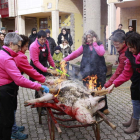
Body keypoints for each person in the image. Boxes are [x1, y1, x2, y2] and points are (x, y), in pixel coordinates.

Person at [0, 32, 49, 140]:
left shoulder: (3, 53)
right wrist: (39, 86)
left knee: (5, 119)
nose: (20, 49)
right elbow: (20, 80)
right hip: (4, 91)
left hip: (5, 89)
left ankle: (11, 130)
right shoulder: (7, 58)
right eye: (19, 46)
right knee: (6, 122)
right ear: (11, 44)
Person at [61, 30, 108, 114]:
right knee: (88, 90)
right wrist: (65, 59)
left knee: (100, 89)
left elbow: (101, 53)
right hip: (87, 72)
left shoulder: (99, 44)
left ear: (94, 37)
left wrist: (94, 44)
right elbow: (75, 53)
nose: (88, 39)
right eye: (87, 38)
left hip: (99, 71)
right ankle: (90, 105)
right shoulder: (84, 46)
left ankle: (103, 107)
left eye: (90, 37)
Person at [107, 32, 140, 135]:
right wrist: (113, 84)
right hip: (137, 81)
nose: (129, 49)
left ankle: (135, 123)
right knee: (135, 100)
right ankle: (134, 121)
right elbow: (126, 72)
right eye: (128, 47)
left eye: (131, 47)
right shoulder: (129, 54)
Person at [29, 30, 55, 98]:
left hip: (44, 64)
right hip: (35, 67)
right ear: (37, 38)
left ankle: (45, 98)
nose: (43, 41)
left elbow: (49, 55)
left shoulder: (46, 43)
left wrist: (53, 66)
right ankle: (39, 103)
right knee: (38, 85)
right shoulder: (33, 46)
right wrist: (45, 69)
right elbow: (36, 62)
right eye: (41, 39)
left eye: (44, 39)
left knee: (45, 82)